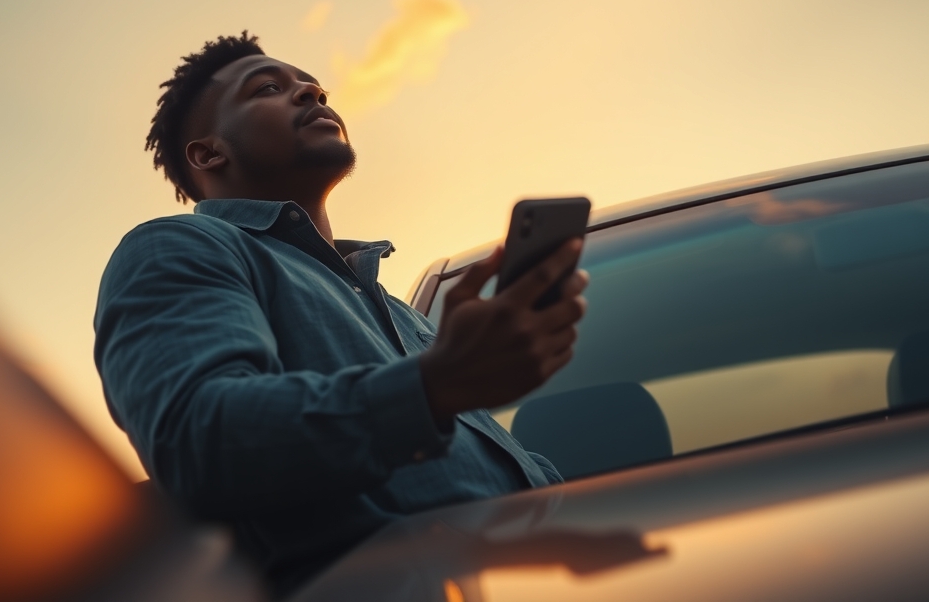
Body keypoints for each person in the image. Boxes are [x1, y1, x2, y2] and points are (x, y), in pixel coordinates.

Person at [93, 32, 588, 596]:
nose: (309, 91)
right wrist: (434, 386)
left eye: (315, 85)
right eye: (269, 89)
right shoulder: (178, 246)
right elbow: (198, 441)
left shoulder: (401, 313)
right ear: (209, 153)